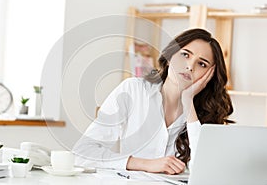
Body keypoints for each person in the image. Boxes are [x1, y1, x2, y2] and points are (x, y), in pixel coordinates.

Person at [72, 28, 233, 175]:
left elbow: (207, 172)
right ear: (170, 56)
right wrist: (144, 164)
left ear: (209, 75)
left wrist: (188, 102)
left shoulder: (205, 113)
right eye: (185, 54)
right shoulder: (133, 90)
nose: (190, 66)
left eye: (201, 64)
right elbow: (82, 153)